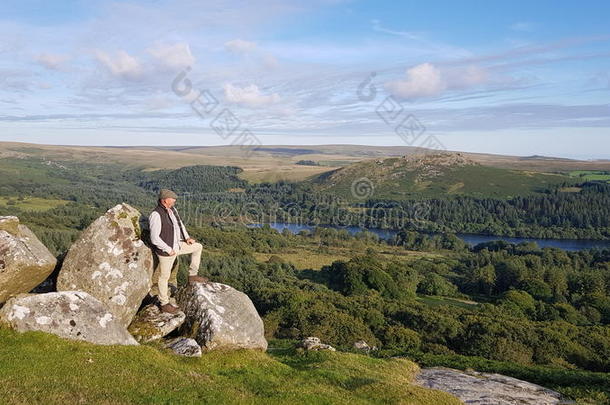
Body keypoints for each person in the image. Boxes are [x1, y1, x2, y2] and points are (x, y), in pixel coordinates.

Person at [149, 189, 207, 313]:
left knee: (198, 247)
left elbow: (180, 224)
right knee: (164, 277)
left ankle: (192, 275)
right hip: (166, 251)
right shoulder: (156, 215)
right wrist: (168, 250)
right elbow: (154, 238)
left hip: (177, 245)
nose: (175, 201)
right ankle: (164, 303)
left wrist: (187, 238)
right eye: (172, 199)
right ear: (164, 200)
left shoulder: (172, 210)